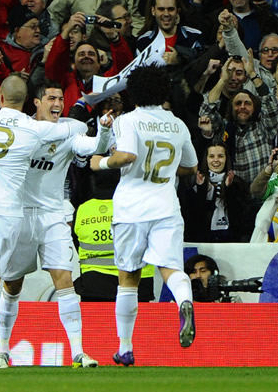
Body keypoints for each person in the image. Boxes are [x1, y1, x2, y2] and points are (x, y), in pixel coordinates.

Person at [0, 51, 87, 368]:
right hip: (10, 215)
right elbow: (70, 130)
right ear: (27, 102)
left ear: (0, 96)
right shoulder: (36, 130)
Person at [0, 80, 111, 368]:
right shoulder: (22, 130)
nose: (58, 104)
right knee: (11, 284)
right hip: (18, 215)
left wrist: (104, 131)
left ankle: (78, 353)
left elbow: (94, 146)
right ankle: (3, 348)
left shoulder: (67, 131)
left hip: (54, 215)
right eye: (51, 98)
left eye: (61, 99)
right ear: (37, 102)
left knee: (65, 280)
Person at [90, 65, 198, 365]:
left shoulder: (128, 120)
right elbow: (191, 166)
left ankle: (125, 348)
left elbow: (126, 156)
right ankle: (185, 301)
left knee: (128, 277)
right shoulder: (177, 124)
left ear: (133, 92)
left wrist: (100, 163)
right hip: (166, 206)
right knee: (171, 267)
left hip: (132, 208)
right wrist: (167, 168)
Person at [183, 141, 251, 242]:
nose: (216, 160)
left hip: (231, 241)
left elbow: (242, 220)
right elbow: (193, 219)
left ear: (226, 158)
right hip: (203, 241)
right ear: (206, 159)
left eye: (220, 156)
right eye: (211, 156)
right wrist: (201, 190)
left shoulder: (237, 183)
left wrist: (229, 189)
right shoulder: (195, 182)